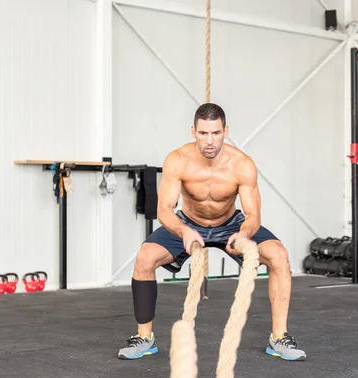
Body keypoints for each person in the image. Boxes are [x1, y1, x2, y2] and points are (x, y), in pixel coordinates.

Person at [118, 103, 306, 362]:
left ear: (225, 131)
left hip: (230, 224)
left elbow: (253, 216)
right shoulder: (178, 160)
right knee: (144, 257)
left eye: (216, 133)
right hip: (188, 222)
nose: (210, 141)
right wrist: (183, 230)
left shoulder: (242, 164)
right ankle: (144, 337)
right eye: (204, 133)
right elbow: (164, 210)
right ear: (193, 131)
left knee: (279, 255)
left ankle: (279, 337)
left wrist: (243, 233)